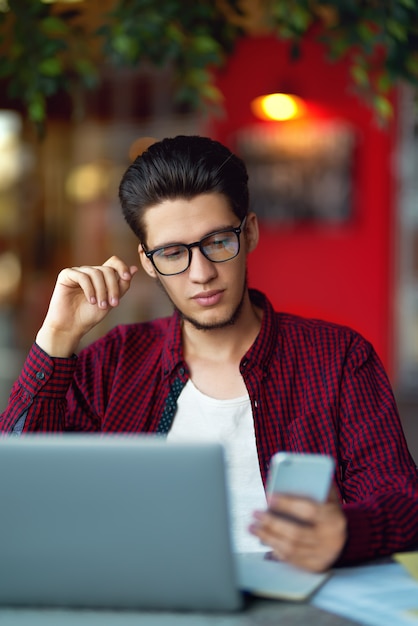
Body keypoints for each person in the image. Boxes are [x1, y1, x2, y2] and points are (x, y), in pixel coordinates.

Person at [1, 135, 417, 572]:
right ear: (147, 261)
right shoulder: (113, 362)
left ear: (250, 232)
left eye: (218, 242)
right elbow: (18, 498)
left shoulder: (338, 359)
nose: (201, 274)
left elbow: (404, 504)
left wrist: (347, 531)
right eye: (173, 253)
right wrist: (58, 338)